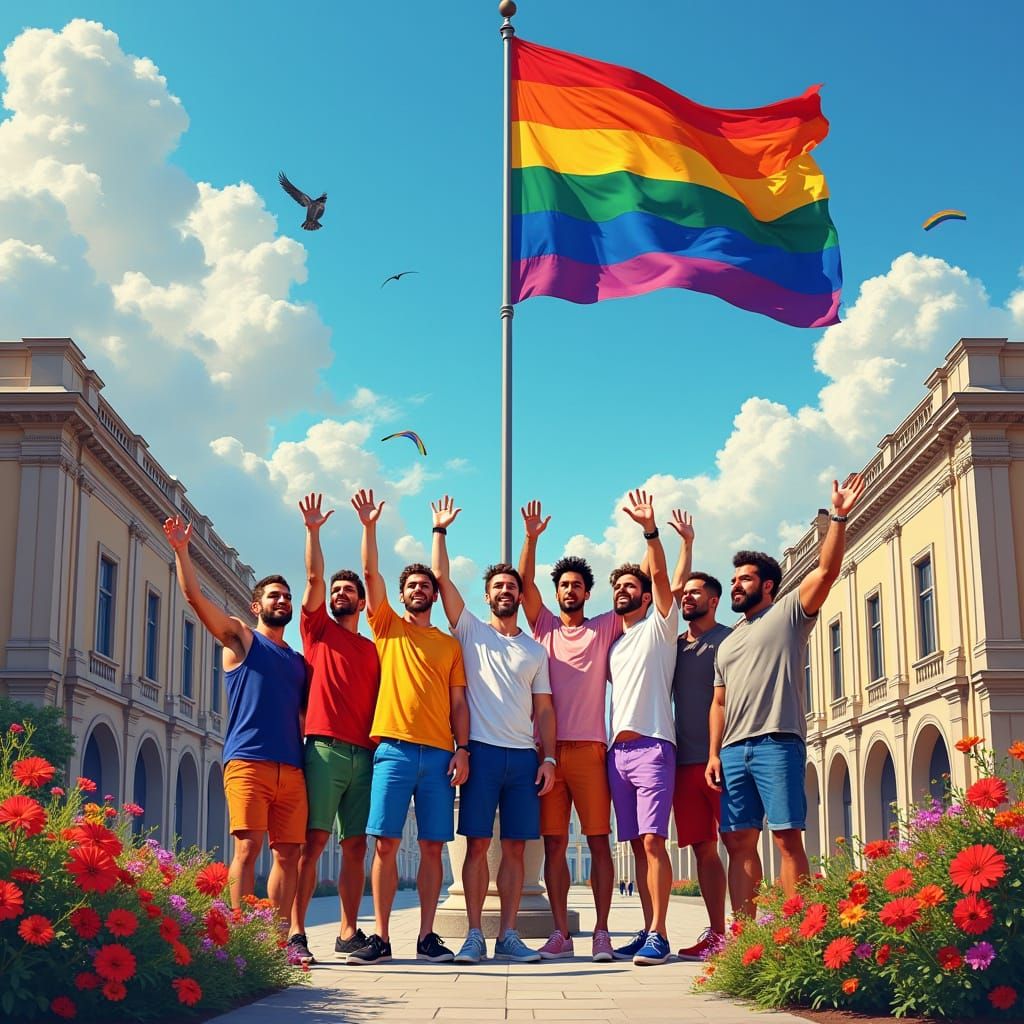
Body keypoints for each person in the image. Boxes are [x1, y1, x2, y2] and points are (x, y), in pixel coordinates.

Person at [706, 474, 866, 920]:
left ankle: (796, 930)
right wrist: (714, 754)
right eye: (733, 580)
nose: (736, 586)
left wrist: (839, 517)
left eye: (745, 579)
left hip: (777, 742)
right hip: (733, 751)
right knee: (737, 841)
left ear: (768, 586)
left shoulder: (789, 614)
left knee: (786, 838)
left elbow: (826, 571)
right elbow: (718, 703)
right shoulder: (726, 643)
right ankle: (745, 934)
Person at [430, 495, 557, 964]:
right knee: (478, 845)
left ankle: (508, 935)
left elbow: (545, 710)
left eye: (512, 586)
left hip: (523, 758)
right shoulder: (470, 631)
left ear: (521, 596)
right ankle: (473, 936)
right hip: (480, 753)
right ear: (487, 596)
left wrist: (548, 758)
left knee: (516, 848)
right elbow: (441, 579)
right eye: (497, 586)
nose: (505, 591)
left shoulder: (536, 650)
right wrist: (440, 530)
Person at [163, 516, 307, 927]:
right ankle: (242, 937)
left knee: (289, 854)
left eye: (287, 597)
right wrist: (182, 551)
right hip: (248, 762)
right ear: (256, 606)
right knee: (248, 848)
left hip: (292, 769)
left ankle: (277, 940)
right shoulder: (242, 638)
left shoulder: (298, 661)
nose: (283, 601)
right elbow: (195, 599)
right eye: (274, 596)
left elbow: (303, 717)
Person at [347, 488, 470, 965]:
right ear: (401, 596)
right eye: (411, 586)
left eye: (425, 585)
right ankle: (380, 937)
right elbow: (370, 574)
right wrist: (369, 526)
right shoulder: (387, 626)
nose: (419, 590)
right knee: (386, 844)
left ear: (435, 595)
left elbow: (458, 703)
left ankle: (426, 937)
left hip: (439, 756)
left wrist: (463, 749)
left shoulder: (449, 644)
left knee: (434, 847)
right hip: (394, 751)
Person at [517, 499, 621, 963]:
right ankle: (561, 932)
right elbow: (524, 587)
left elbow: (647, 592)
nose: (570, 590)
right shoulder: (542, 627)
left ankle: (601, 932)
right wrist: (531, 538)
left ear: (587, 593)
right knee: (555, 844)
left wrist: (651, 534)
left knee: (598, 841)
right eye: (563, 585)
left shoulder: (604, 628)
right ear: (556, 591)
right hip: (547, 755)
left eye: (577, 585)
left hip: (592, 750)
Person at [287, 493, 381, 966]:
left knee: (356, 846)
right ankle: (296, 931)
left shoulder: (373, 650)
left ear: (362, 602)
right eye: (336, 590)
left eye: (348, 590)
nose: (340, 593)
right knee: (314, 842)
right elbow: (312, 579)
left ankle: (347, 933)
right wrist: (313, 531)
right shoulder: (317, 630)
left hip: (365, 756)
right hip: (323, 750)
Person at [606, 490, 678, 967]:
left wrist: (650, 531)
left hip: (653, 746)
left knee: (653, 840)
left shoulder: (660, 627)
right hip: (618, 756)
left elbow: (662, 578)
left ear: (647, 597)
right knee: (634, 844)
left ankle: (660, 934)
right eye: (618, 587)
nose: (622, 591)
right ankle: (646, 928)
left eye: (631, 586)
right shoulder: (615, 645)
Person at [664, 510, 729, 961]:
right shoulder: (674, 646)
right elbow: (668, 595)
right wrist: (685, 546)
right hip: (684, 763)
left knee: (738, 843)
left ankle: (750, 931)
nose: (687, 598)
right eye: (684, 594)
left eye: (695, 593)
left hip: (723, 760)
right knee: (704, 849)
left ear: (714, 600)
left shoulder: (731, 639)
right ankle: (717, 933)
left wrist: (718, 752)